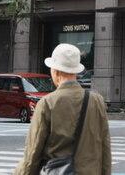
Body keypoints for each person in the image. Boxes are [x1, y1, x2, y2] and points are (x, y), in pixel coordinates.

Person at [13, 44, 111, 175]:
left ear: (55, 71)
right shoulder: (97, 101)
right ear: (75, 72)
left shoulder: (47, 103)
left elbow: (32, 152)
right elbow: (105, 148)